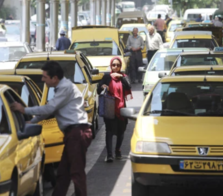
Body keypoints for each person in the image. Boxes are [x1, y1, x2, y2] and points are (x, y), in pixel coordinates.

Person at [10, 61, 92, 196]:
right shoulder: (62, 88)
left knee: (76, 173)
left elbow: (49, 108)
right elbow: (49, 111)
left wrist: (24, 110)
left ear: (54, 78)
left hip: (77, 133)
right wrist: (33, 121)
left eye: (44, 77)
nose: (42, 80)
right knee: (63, 174)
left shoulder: (65, 88)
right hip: (74, 134)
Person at [98, 57, 132, 162]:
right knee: (109, 131)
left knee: (121, 131)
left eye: (118, 65)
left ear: (120, 66)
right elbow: (99, 89)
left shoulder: (124, 77)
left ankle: (118, 150)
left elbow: (129, 86)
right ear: (111, 66)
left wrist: (121, 77)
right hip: (110, 108)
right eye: (114, 65)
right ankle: (109, 155)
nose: (116, 67)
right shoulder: (107, 77)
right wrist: (103, 87)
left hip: (121, 108)